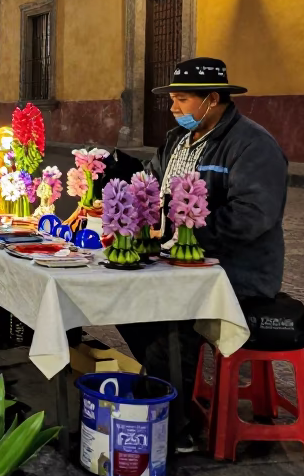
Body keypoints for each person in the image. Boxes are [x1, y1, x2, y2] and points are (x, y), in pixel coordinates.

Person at [117, 57, 289, 453]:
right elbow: (149, 178)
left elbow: (254, 215)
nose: (174, 109)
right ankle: (169, 393)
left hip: (236, 272)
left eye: (181, 100)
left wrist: (189, 234)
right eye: (173, 100)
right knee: (121, 299)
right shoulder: (179, 140)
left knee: (170, 321)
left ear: (212, 99)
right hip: (179, 263)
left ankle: (175, 430)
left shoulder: (252, 145)